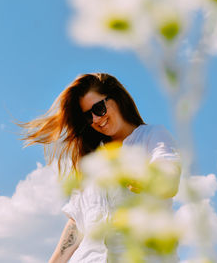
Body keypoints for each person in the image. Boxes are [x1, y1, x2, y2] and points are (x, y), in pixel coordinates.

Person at [20, 73, 181, 263]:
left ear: (117, 99)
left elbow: (169, 177)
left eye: (99, 108)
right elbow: (76, 223)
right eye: (88, 116)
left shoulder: (151, 136)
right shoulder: (92, 162)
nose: (96, 119)